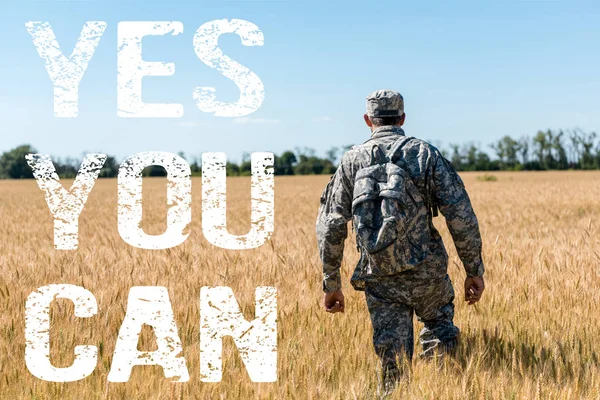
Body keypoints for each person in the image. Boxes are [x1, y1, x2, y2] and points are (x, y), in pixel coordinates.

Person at [315, 89, 485, 395]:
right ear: (403, 118)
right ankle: (442, 390)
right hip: (427, 271)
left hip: (379, 276)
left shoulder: (352, 160)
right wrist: (473, 269)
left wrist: (331, 283)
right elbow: (461, 216)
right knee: (439, 332)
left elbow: (331, 225)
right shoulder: (424, 154)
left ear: (368, 120)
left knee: (392, 362)